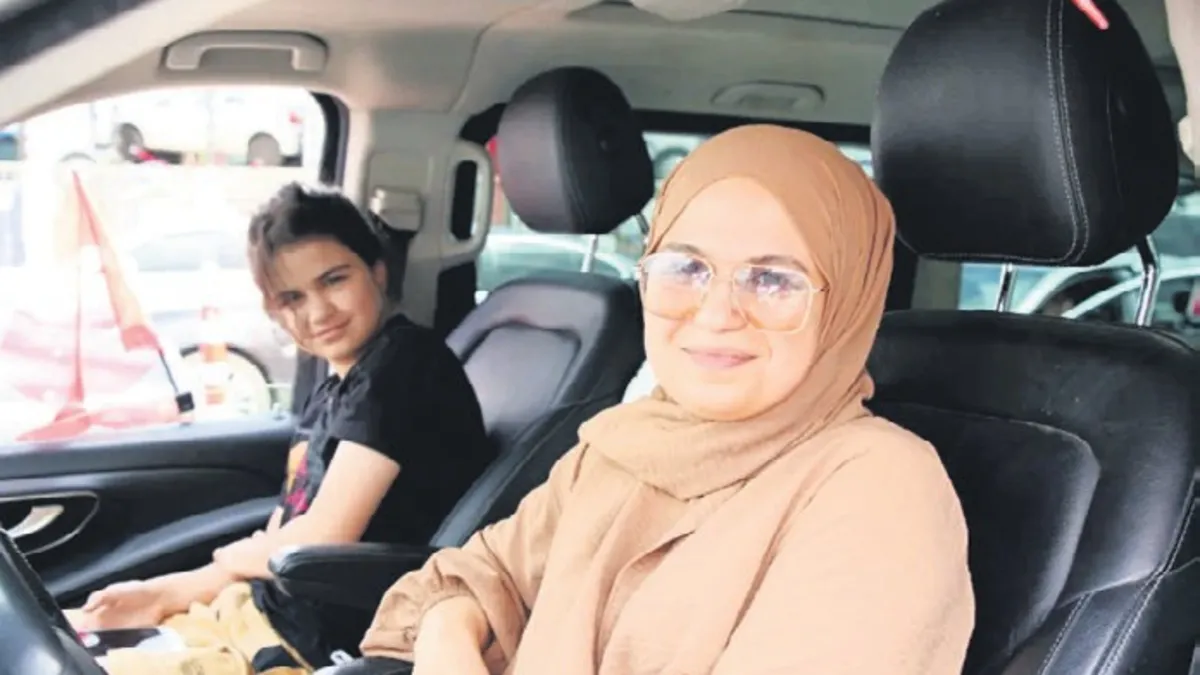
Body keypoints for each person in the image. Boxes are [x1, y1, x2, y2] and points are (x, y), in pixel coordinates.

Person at [355, 125, 975, 674]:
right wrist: (449, 641)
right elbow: (478, 572)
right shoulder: (627, 444)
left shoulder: (878, 487)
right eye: (686, 268)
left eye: (772, 279)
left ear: (846, 304)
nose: (716, 313)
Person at [66, 183, 495, 674]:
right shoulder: (335, 388)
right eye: (292, 298)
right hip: (255, 613)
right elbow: (284, 529)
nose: (318, 312)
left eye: (334, 280)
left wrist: (229, 559)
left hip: (313, 644)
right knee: (62, 639)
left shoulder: (403, 367)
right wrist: (162, 594)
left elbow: (319, 539)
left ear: (377, 271)